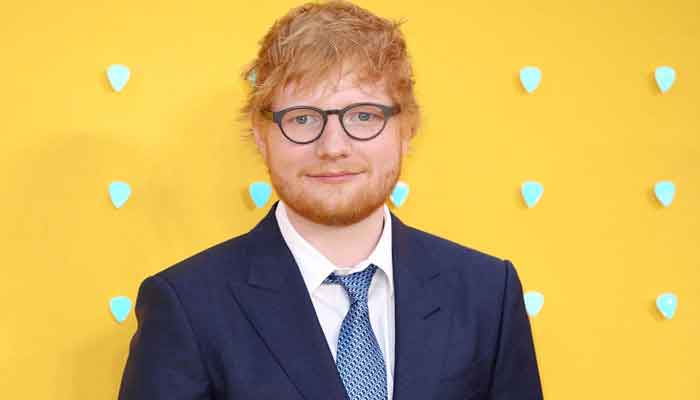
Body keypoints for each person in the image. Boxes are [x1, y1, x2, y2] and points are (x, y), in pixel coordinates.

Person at [117, 1, 544, 399]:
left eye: (363, 116)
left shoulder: (488, 293)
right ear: (262, 136)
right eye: (303, 118)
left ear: (407, 129)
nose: (333, 147)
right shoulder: (186, 306)